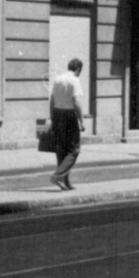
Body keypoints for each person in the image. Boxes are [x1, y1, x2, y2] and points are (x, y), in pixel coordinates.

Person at [48, 58, 84, 191]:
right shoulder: (75, 80)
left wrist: (52, 118)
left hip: (57, 115)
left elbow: (52, 101)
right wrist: (81, 120)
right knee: (74, 149)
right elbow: (77, 103)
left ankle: (65, 181)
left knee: (62, 149)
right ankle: (58, 176)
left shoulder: (57, 79)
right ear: (78, 69)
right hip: (69, 116)